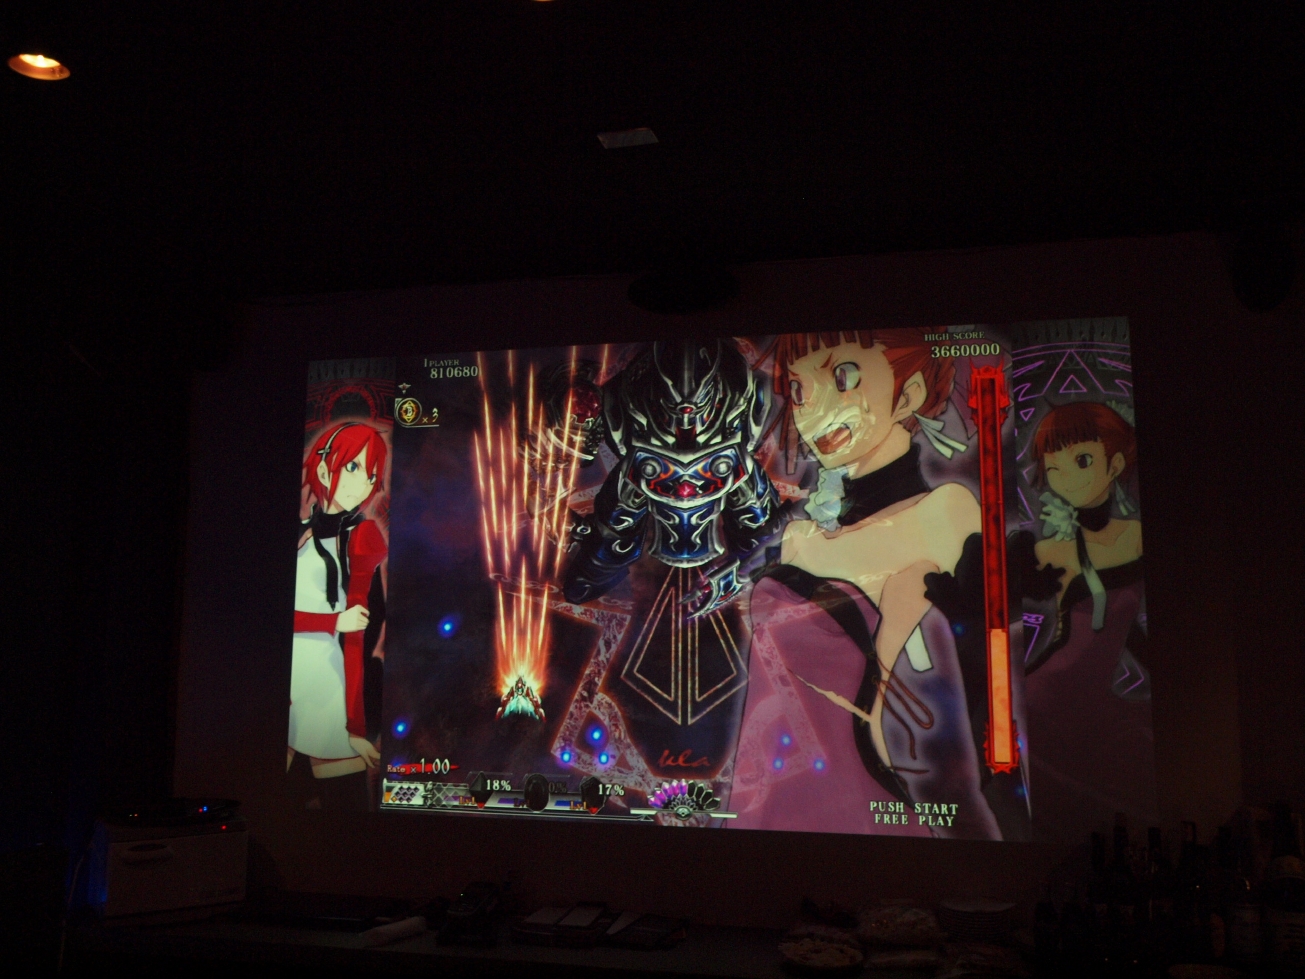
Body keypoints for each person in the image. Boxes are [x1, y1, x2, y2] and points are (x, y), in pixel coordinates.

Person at [729, 329, 1014, 839]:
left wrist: (894, 635)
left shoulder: (945, 514)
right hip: (772, 809)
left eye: (844, 378)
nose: (814, 411)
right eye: (800, 390)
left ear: (908, 394)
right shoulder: (798, 539)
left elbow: (974, 701)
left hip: (884, 814)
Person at [1023, 400, 1155, 836]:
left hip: (1093, 701)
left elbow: (1124, 626)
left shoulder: (1137, 537)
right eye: (1053, 468)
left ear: (1115, 464)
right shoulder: (1050, 550)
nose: (1068, 478)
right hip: (1049, 694)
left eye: (1082, 461)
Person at [288, 421, 389, 785]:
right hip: (286, 682)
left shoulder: (362, 536)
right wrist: (332, 622)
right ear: (322, 469)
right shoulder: (302, 530)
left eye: (370, 475)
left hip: (327, 684)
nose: (361, 484)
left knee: (341, 802)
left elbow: (356, 637)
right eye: (352, 467)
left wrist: (356, 726)